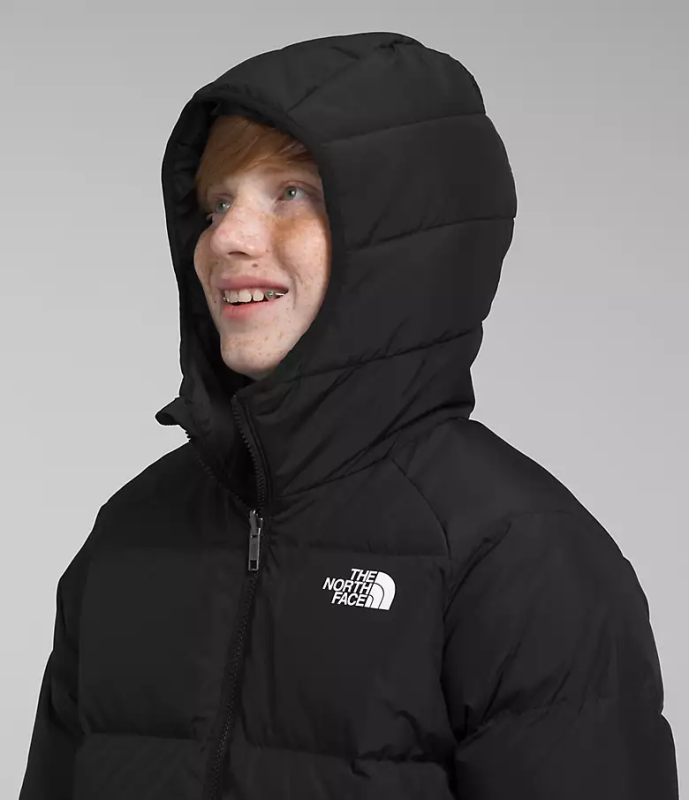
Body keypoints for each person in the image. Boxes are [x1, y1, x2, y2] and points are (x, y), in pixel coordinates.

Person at [18, 30, 679, 800]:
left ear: (402, 244)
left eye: (291, 193)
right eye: (216, 202)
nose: (226, 237)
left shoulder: (520, 562)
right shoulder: (130, 535)